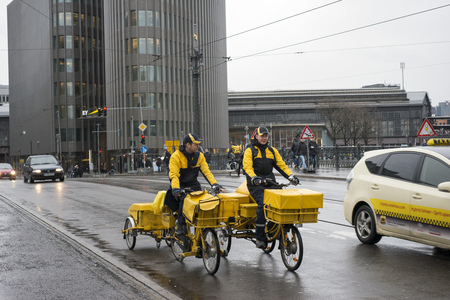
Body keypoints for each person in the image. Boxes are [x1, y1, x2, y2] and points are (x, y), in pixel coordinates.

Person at [243, 126, 300, 248]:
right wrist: (254, 178)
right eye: (261, 136)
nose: (264, 138)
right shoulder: (250, 150)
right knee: (263, 204)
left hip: (270, 183)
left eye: (266, 136)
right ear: (256, 136)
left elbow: (281, 165)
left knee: (283, 202)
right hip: (256, 185)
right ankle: (260, 237)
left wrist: (291, 176)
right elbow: (247, 167)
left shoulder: (272, 151)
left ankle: (276, 231)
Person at [168, 133, 225, 236]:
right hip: (180, 185)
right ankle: (179, 224)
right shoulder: (176, 156)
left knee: (204, 200)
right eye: (196, 144)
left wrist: (215, 184)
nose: (198, 146)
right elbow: (174, 175)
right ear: (187, 145)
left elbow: (207, 172)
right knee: (184, 200)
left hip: (193, 184)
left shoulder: (199, 156)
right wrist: (176, 189)